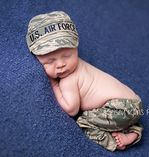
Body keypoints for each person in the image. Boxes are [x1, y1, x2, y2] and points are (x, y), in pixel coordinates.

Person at [26, 11, 143, 151]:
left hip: (119, 108)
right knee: (117, 118)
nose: (60, 64)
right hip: (133, 104)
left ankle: (114, 142)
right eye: (50, 61)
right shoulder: (81, 65)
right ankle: (134, 132)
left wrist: (54, 84)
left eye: (67, 56)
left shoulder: (68, 80)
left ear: (76, 48)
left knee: (84, 121)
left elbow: (71, 109)